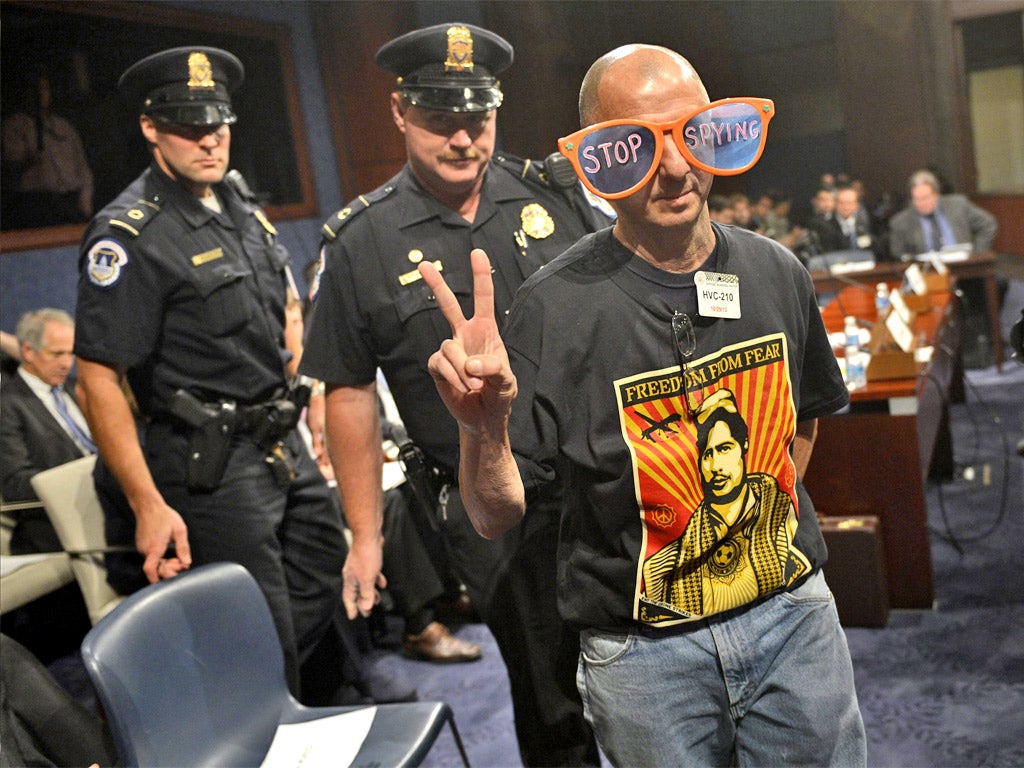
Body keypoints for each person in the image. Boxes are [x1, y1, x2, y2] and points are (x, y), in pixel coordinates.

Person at [418, 43, 867, 766]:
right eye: (638, 147)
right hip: (644, 656)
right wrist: (483, 429)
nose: (677, 169)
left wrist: (760, 530)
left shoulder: (775, 271)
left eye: (694, 135)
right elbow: (494, 514)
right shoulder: (551, 311)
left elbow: (801, 416)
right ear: (596, 163)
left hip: (790, 618)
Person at [300, 22, 607, 765]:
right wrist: (367, 537)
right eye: (442, 118)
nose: (465, 138)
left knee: (644, 659)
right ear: (401, 112)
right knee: (550, 693)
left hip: (597, 474)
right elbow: (348, 392)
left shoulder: (551, 196)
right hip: (486, 507)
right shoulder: (360, 243)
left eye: (479, 118)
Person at [71, 46, 411, 707]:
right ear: (151, 128)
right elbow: (98, 378)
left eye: (218, 122)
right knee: (255, 626)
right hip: (208, 461)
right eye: (189, 124)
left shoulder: (239, 205)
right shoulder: (129, 233)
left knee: (320, 578)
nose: (208, 138)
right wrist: (146, 503)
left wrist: (307, 391)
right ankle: (268, 731)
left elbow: (283, 304)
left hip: (277, 442)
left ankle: (316, 709)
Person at [0, 308, 95, 554]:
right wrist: (88, 482)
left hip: (107, 511)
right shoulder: (7, 405)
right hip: (54, 528)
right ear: (28, 352)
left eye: (70, 354)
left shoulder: (79, 389)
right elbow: (16, 485)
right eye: (56, 354)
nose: (67, 364)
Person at [1, 71, 94, 228]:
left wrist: (85, 199)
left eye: (44, 88)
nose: (40, 94)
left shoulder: (63, 127)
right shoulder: (15, 126)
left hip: (69, 203)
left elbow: (82, 167)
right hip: (36, 205)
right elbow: (10, 168)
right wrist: (28, 160)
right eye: (35, 89)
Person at [887, 169, 997, 258]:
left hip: (963, 266)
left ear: (936, 195)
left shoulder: (958, 205)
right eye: (917, 199)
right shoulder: (900, 222)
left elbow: (988, 224)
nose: (921, 203)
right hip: (927, 273)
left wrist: (978, 254)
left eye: (925, 198)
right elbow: (897, 253)